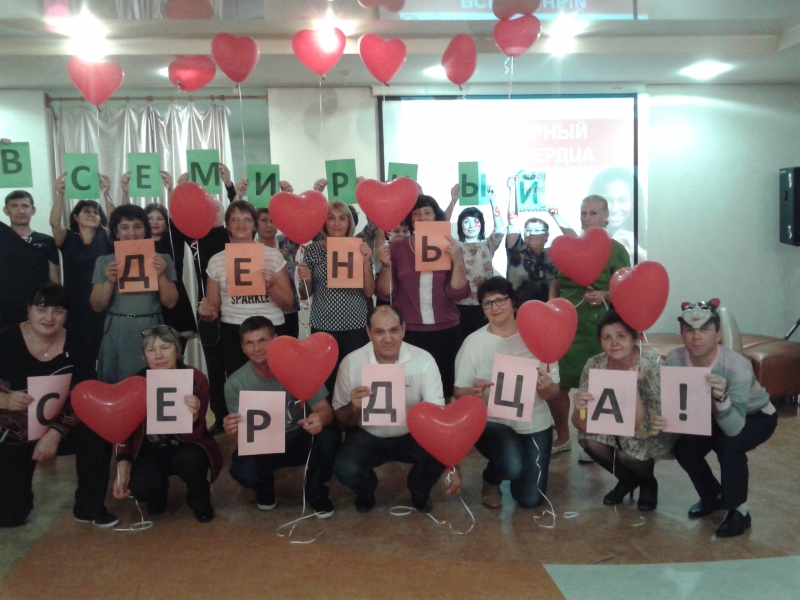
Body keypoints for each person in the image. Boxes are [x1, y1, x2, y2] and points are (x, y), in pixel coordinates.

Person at [0, 283, 116, 528]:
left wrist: (55, 433)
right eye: (41, 309)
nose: (49, 317)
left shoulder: (77, 341)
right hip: (13, 430)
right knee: (10, 517)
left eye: (58, 310)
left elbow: (84, 393)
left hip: (62, 424)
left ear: (67, 314)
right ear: (28, 310)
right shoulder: (6, 339)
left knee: (97, 432)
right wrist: (5, 400)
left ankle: (89, 508)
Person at [666, 300, 777, 538]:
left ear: (718, 335)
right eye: (689, 330)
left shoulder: (737, 366)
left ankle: (740, 511)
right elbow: (675, 404)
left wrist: (722, 397)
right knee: (684, 448)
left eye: (704, 330)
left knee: (728, 445)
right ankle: (712, 496)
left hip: (756, 414)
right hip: (711, 413)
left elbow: (734, 428)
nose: (696, 337)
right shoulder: (674, 359)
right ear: (682, 334)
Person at [333, 305, 456, 513]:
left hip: (411, 433)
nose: (388, 339)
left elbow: (437, 417)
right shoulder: (351, 363)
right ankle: (366, 490)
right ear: (368, 332)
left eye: (394, 330)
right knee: (345, 468)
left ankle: (419, 490)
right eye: (379, 332)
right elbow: (340, 420)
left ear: (404, 329)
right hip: (367, 434)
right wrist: (353, 407)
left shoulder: (423, 360)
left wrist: (452, 464)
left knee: (438, 455)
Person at [454, 277, 559, 509]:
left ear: (513, 302)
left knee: (530, 499)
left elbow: (554, 392)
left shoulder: (538, 338)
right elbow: (459, 392)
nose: (495, 307)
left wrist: (547, 388)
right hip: (493, 423)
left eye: (500, 300)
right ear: (482, 309)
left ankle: (514, 473)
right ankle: (491, 479)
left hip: (534, 422)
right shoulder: (473, 343)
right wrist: (473, 391)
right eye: (488, 303)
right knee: (512, 466)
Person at [222, 316, 339, 517]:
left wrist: (320, 418)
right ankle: (264, 488)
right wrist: (232, 431)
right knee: (243, 471)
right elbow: (242, 440)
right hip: (263, 444)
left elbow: (325, 409)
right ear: (242, 348)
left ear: (275, 340)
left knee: (330, 436)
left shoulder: (300, 368)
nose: (257, 348)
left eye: (262, 340)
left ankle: (316, 492)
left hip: (299, 435)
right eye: (250, 343)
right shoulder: (235, 384)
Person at [112, 325, 222, 523]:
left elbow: (198, 434)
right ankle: (157, 493)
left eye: (165, 347)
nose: (159, 356)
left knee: (192, 461)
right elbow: (124, 430)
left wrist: (194, 418)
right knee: (141, 487)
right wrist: (123, 461)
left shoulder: (196, 379)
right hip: (151, 448)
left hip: (187, 444)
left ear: (177, 351)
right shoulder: (134, 383)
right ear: (144, 355)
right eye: (151, 350)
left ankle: (200, 499)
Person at [549, 195, 631, 455]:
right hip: (566, 327)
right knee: (558, 385)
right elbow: (556, 281)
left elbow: (627, 287)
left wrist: (606, 294)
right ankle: (563, 436)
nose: (587, 218)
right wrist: (551, 303)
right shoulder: (569, 246)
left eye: (593, 213)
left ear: (606, 217)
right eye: (583, 213)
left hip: (598, 329)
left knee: (596, 385)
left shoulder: (617, 250)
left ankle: (592, 440)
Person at [571, 310, 675, 511]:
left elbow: (643, 429)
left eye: (621, 336)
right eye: (607, 337)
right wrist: (579, 409)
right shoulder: (595, 364)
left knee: (626, 455)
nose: (614, 343)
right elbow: (581, 423)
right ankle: (627, 480)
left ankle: (648, 482)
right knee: (588, 440)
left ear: (634, 338)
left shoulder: (653, 367)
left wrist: (632, 387)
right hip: (612, 426)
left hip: (650, 429)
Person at [376, 195, 469, 399]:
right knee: (410, 391)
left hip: (446, 330)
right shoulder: (398, 246)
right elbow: (385, 292)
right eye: (416, 213)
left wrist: (457, 261)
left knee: (444, 389)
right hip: (410, 331)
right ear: (410, 219)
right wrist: (386, 266)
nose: (423, 217)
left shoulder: (448, 245)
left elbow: (458, 293)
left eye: (427, 212)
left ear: (436, 216)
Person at [199, 201, 294, 378]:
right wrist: (206, 315)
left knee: (276, 382)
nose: (241, 224)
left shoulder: (272, 255)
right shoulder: (216, 260)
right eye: (235, 219)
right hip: (233, 331)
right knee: (240, 384)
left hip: (271, 327)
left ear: (254, 226)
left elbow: (288, 303)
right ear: (228, 226)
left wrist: (271, 286)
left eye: (247, 219)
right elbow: (213, 309)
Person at [90, 204, 179, 383]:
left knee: (152, 382)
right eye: (125, 227)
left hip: (151, 327)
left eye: (138, 226)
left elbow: (171, 302)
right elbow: (97, 306)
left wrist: (160, 275)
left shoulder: (162, 259)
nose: (132, 233)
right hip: (117, 328)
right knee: (115, 384)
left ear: (146, 230)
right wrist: (109, 281)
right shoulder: (105, 262)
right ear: (116, 232)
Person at [297, 200, 375, 396]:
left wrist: (366, 264)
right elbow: (305, 294)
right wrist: (306, 280)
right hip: (323, 324)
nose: (337, 223)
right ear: (324, 222)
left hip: (356, 324)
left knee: (355, 377)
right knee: (327, 378)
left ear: (349, 222)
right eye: (331, 218)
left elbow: (369, 292)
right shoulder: (314, 250)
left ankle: (354, 412)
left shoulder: (360, 247)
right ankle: (330, 413)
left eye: (342, 218)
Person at [50, 174, 112, 376]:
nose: (92, 214)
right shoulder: (68, 238)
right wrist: (61, 194)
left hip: (103, 303)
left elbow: (116, 221)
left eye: (96, 212)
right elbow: (54, 223)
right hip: (74, 306)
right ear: (76, 218)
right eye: (87, 211)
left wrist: (106, 193)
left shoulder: (106, 237)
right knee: (77, 354)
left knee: (102, 353)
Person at [1, 190, 60, 328]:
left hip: (36, 308)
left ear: (33, 210)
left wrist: (55, 307)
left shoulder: (46, 241)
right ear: (6, 210)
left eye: (25, 206)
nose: (21, 211)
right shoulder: (2, 238)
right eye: (14, 206)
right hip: (4, 308)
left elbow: (54, 280)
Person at [455, 186, 506, 337]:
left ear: (482, 225)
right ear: (460, 225)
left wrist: (493, 201)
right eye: (466, 221)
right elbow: (438, 229)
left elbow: (500, 229)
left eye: (475, 221)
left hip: (486, 304)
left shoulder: (488, 245)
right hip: (460, 305)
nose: (471, 226)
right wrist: (453, 201)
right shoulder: (454, 246)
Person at [256, 207, 301, 338]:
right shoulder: (249, 248)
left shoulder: (286, 243)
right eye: (264, 220)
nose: (269, 225)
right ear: (255, 224)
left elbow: (300, 227)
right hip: (261, 309)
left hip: (289, 310)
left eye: (273, 221)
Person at [588, 167, 647, 261]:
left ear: (634, 202)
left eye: (622, 200)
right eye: (607, 201)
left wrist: (642, 255)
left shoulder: (649, 242)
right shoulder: (582, 243)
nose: (615, 210)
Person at [506, 216, 556, 305]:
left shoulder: (553, 255)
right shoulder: (517, 251)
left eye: (537, 230)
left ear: (546, 235)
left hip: (548, 309)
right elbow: (512, 224)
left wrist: (556, 216)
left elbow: (575, 244)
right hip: (518, 309)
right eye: (528, 230)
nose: (532, 233)